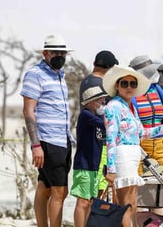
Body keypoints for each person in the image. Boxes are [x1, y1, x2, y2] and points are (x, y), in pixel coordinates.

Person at [102, 65, 163, 227]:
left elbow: (142, 133)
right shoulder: (113, 106)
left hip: (133, 155)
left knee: (132, 204)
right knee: (126, 206)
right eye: (124, 83)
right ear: (117, 85)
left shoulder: (130, 107)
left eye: (133, 84)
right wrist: (111, 168)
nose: (129, 87)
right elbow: (111, 138)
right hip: (122, 157)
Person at [20, 34, 74, 227]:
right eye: (55, 52)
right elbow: (28, 111)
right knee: (60, 192)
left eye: (63, 52)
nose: (60, 56)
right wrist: (36, 145)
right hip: (49, 141)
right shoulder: (35, 74)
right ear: (45, 53)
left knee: (45, 187)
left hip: (63, 139)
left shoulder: (60, 74)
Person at [129, 55, 163, 177]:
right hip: (141, 146)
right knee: (140, 185)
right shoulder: (131, 93)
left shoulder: (156, 88)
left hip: (161, 144)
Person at [79, 50, 119, 198]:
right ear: (110, 67)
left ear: (94, 63)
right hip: (101, 141)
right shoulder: (104, 85)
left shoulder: (86, 81)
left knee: (88, 193)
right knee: (99, 191)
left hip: (88, 138)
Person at [71, 86, 108, 227]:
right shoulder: (86, 115)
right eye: (102, 102)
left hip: (94, 165)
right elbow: (105, 124)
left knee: (91, 201)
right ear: (93, 103)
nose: (103, 105)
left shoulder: (96, 116)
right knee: (83, 201)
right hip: (84, 165)